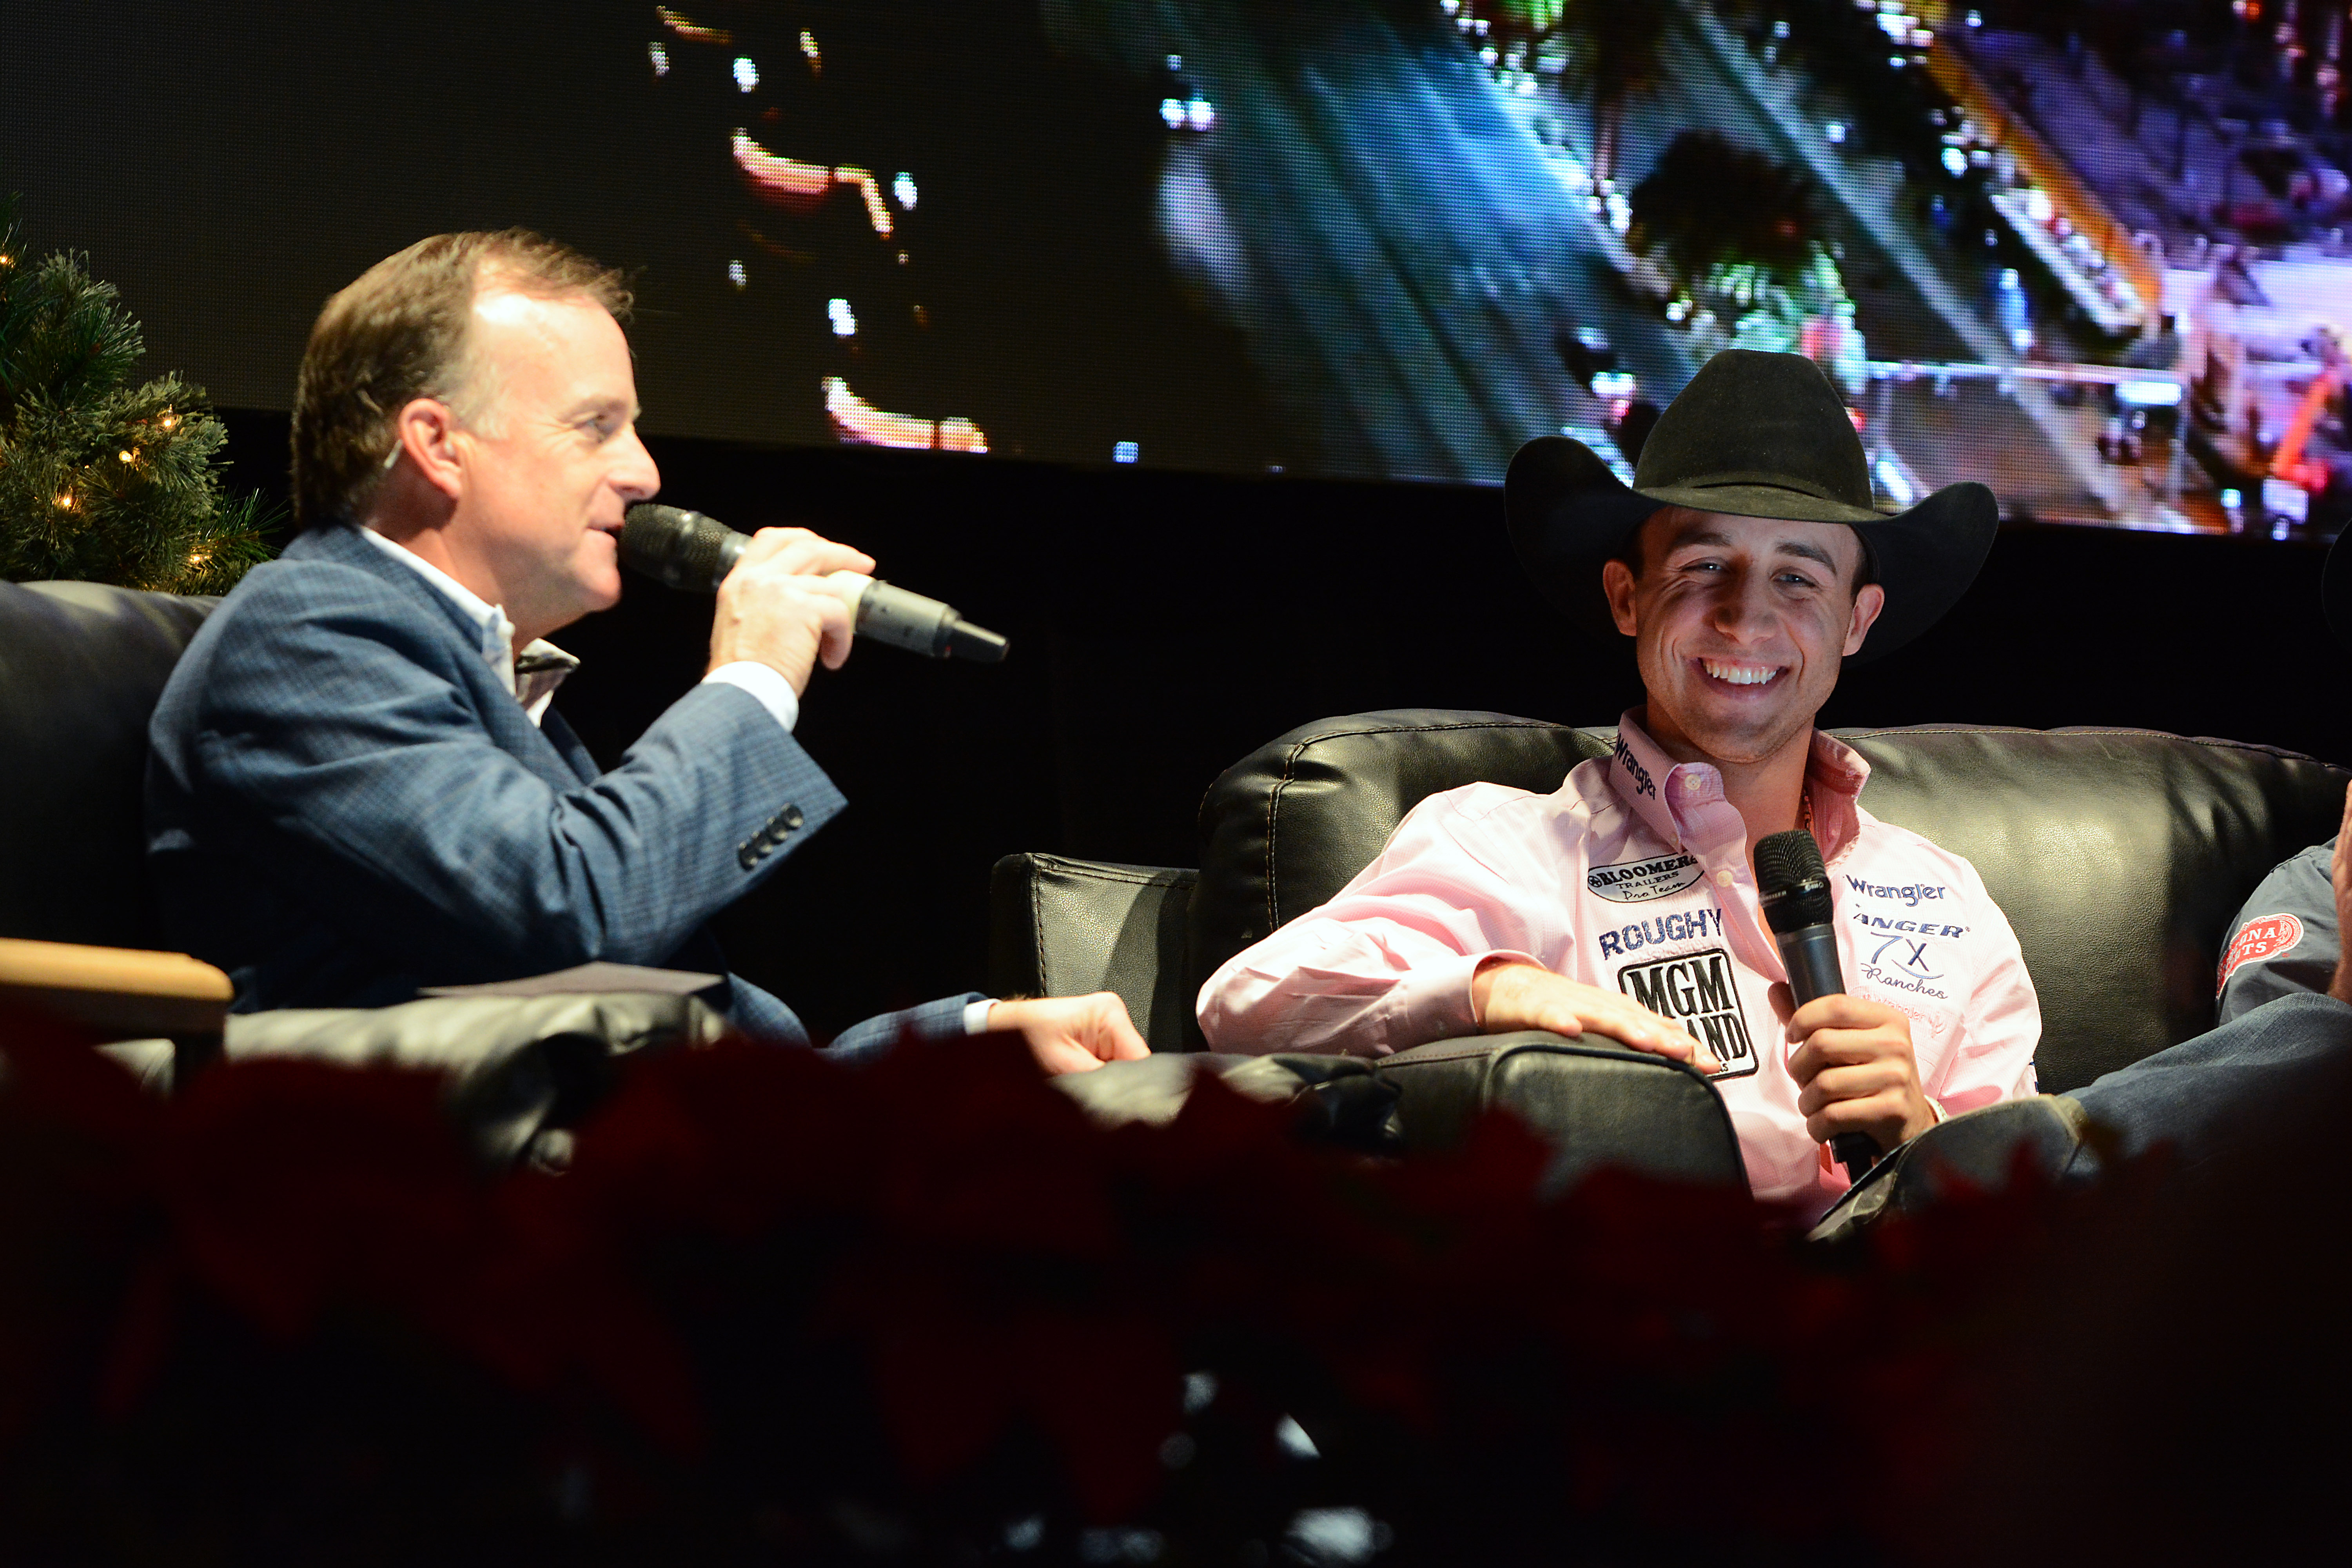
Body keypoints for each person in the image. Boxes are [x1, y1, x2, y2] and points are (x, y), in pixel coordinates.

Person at [145, 230, 1145, 1074]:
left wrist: (959, 1042)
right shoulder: (310, 635)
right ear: (438, 443)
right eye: (598, 427)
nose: (645, 472)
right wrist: (752, 675)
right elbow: (571, 911)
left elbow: (680, 1024)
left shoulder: (486, 672)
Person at [1197, 349, 2033, 1209]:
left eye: (1797, 577)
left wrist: (1926, 1134)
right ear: (1627, 596)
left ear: (1855, 621)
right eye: (1705, 564)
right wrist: (1503, 990)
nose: (1747, 617)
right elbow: (1251, 1000)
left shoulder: (1947, 898)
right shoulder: (1507, 846)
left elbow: (2046, 1229)